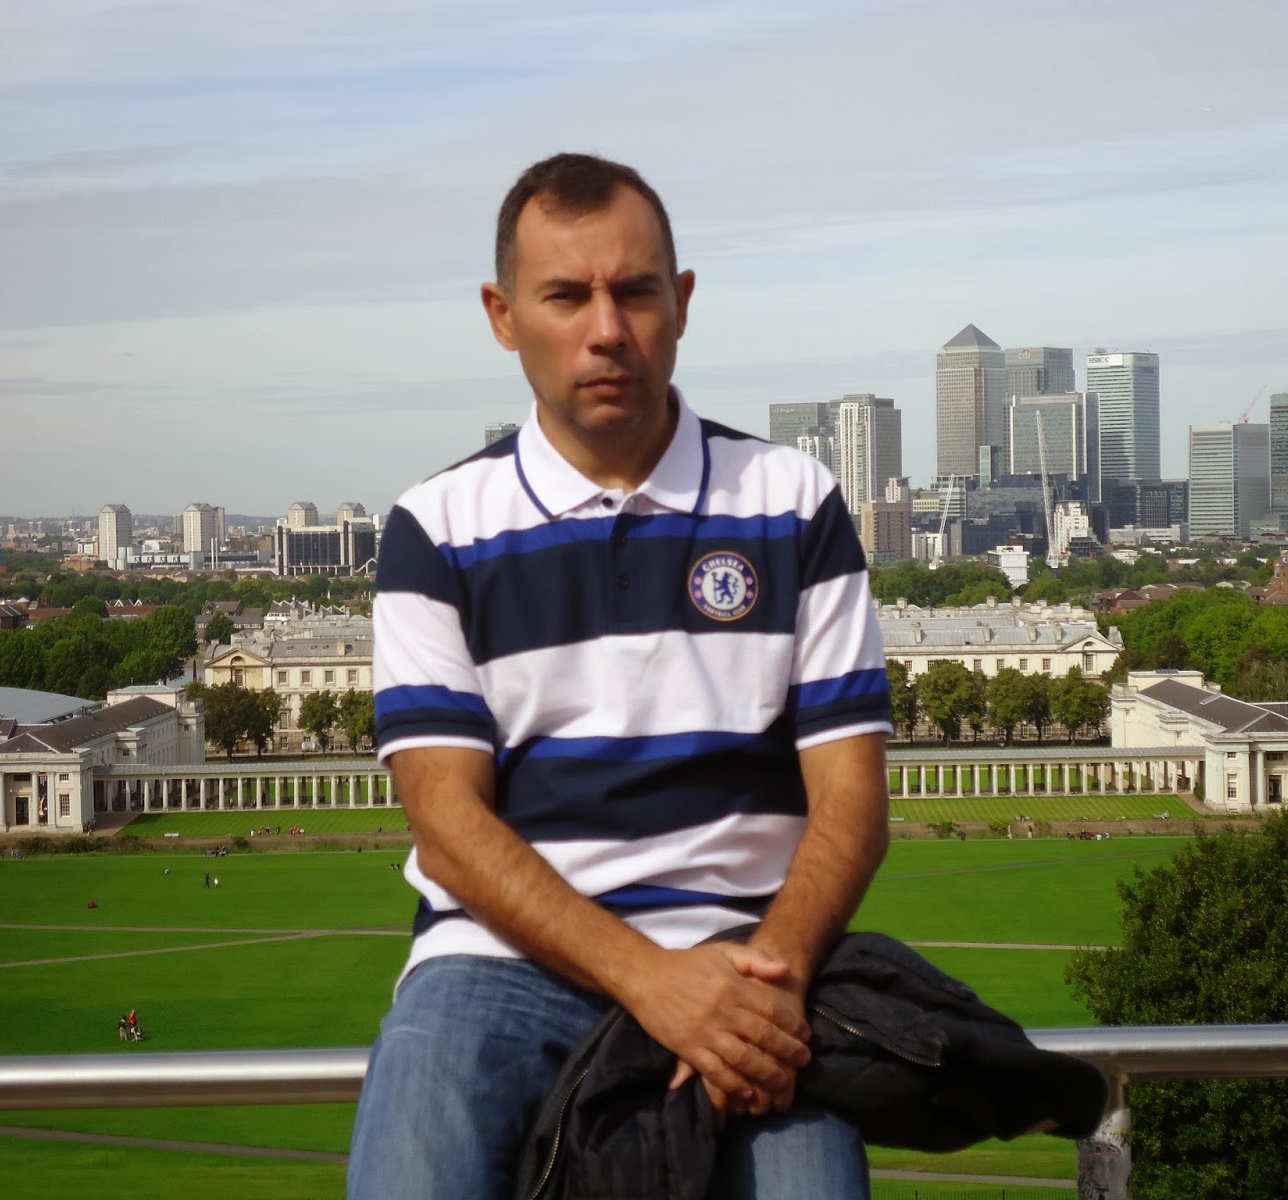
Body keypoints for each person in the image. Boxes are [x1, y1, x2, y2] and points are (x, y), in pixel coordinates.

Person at [347, 153, 892, 1200]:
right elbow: (447, 826)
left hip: (746, 959)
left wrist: (765, 985)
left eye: (635, 291)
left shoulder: (793, 501)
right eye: (566, 296)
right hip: (496, 966)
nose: (607, 329)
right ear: (503, 316)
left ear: (680, 303)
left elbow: (852, 805)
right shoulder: (436, 525)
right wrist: (653, 982)